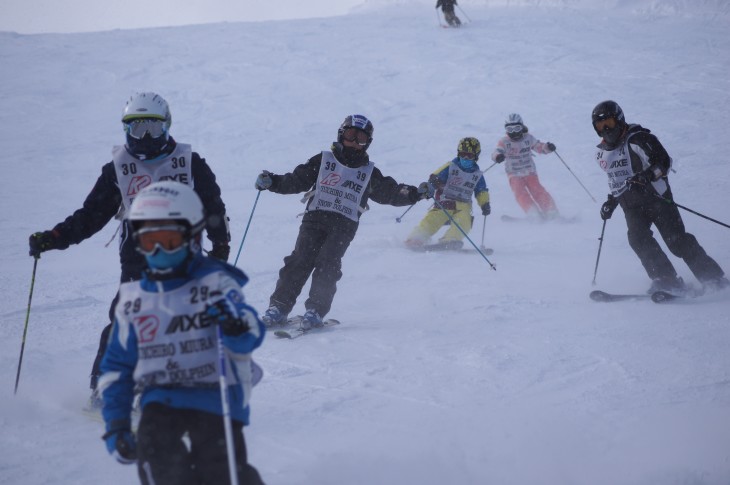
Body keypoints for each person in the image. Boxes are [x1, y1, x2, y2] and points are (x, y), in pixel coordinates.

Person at [27, 92, 231, 408]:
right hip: (138, 251)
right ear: (126, 131)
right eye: (137, 129)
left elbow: (213, 205)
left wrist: (221, 244)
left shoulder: (190, 162)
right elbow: (91, 216)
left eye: (152, 127)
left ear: (167, 126)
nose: (145, 137)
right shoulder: (118, 169)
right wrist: (54, 237)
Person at [98, 181, 265, 485]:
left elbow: (250, 330)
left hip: (214, 395)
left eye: (169, 241)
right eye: (150, 243)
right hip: (160, 398)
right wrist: (117, 424)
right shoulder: (134, 301)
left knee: (221, 472)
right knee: (159, 462)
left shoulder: (215, 284)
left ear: (192, 237)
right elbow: (117, 367)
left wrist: (234, 326)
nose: (159, 251)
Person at [255, 114, 431, 329]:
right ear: (341, 134)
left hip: (344, 224)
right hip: (315, 218)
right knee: (300, 260)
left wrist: (414, 193)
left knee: (328, 263)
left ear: (368, 144)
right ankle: (279, 308)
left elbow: (389, 192)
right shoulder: (323, 161)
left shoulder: (368, 173)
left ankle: (315, 311)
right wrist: (272, 181)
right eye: (351, 134)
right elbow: (296, 180)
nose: (355, 141)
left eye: (361, 138)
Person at [592, 100, 728, 293]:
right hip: (631, 205)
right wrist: (612, 202)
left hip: (656, 198)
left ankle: (713, 278)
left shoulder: (638, 139)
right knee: (638, 239)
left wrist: (647, 175)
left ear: (620, 120)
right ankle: (665, 279)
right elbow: (617, 180)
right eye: (600, 126)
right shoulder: (601, 153)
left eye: (609, 123)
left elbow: (663, 162)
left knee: (676, 241)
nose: (606, 129)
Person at [405, 137, 490, 250]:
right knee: (433, 220)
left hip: (463, 206)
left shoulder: (477, 175)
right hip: (444, 203)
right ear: (458, 153)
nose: (465, 158)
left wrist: (485, 203)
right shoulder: (451, 167)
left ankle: (450, 240)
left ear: (476, 157)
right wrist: (430, 185)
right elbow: (435, 177)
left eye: (469, 156)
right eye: (463, 154)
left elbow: (481, 191)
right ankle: (417, 238)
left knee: (465, 221)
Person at [491, 113, 559, 219]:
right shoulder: (504, 141)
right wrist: (498, 156)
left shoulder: (528, 138)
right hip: (513, 172)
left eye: (517, 128)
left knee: (537, 189)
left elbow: (539, 147)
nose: (513, 132)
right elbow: (497, 151)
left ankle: (550, 211)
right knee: (519, 192)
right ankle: (532, 212)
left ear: (522, 127)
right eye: (510, 129)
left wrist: (547, 147)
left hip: (529, 170)